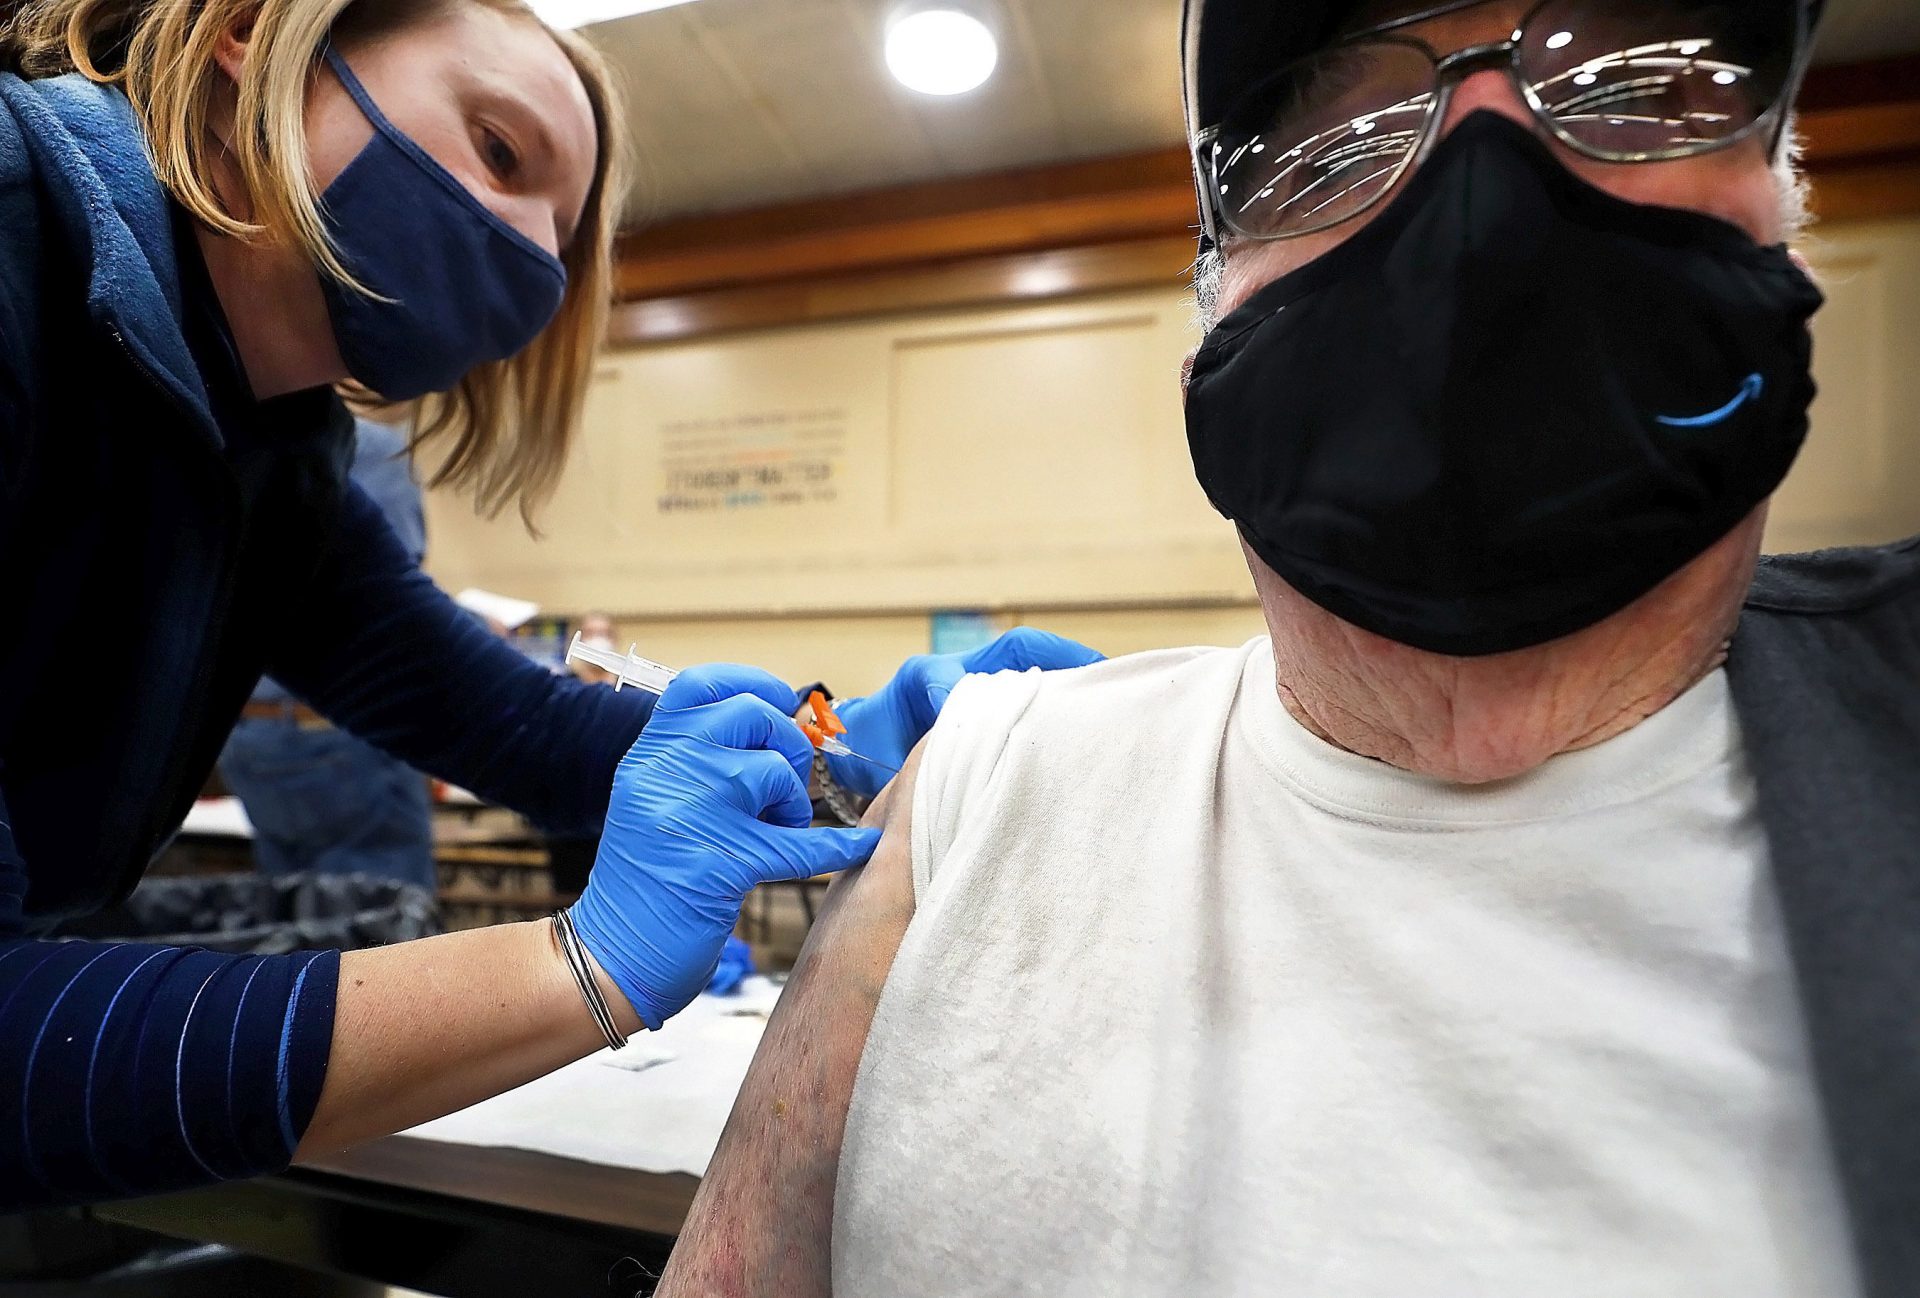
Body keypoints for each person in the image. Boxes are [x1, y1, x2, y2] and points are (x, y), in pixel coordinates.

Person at [659, 1, 1920, 1295]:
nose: (1479, 162)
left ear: (1787, 226)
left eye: (1631, 82)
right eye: (1334, 143)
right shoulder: (991, 781)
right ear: (1208, 330)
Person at [0, 0, 1099, 1212]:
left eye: (558, 244)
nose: (529, 256)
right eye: (503, 152)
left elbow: (514, 724)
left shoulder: (274, 472)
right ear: (259, 31)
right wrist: (574, 964)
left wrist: (828, 735)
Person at [217, 416, 437, 891]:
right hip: (337, 734)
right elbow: (395, 603)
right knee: (382, 936)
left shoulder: (228, 435)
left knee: (295, 922)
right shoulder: (369, 447)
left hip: (249, 733)